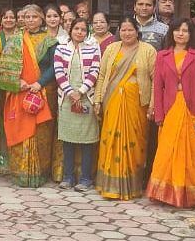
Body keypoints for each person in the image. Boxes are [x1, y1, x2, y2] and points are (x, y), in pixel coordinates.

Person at [147, 18, 195, 209]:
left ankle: (191, 195)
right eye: (177, 30)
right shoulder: (162, 56)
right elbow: (158, 87)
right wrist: (159, 114)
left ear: (191, 34)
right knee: (167, 150)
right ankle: (164, 193)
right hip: (171, 109)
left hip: (194, 110)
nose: (181, 34)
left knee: (194, 153)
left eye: (185, 31)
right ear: (172, 33)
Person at [94, 17, 156, 200]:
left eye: (130, 30)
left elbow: (155, 80)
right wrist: (97, 100)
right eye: (123, 30)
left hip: (137, 105)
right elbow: (102, 75)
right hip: (112, 102)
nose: (127, 33)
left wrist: (152, 105)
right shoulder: (111, 49)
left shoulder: (148, 50)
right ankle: (109, 185)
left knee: (135, 145)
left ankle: (132, 186)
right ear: (118, 32)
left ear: (137, 31)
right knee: (109, 141)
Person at [54, 20, 101, 191]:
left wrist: (80, 92)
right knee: (68, 140)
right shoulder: (61, 48)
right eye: (76, 29)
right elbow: (58, 72)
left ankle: (86, 178)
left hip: (86, 98)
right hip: (66, 100)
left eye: (83, 30)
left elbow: (95, 71)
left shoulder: (93, 49)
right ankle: (68, 177)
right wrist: (70, 92)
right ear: (70, 30)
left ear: (87, 33)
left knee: (87, 140)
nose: (79, 32)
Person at [0, 8, 22, 175]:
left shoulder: (20, 38)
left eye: (12, 17)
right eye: (6, 17)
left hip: (16, 88)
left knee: (13, 122)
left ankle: (14, 162)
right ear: (1, 20)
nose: (9, 20)